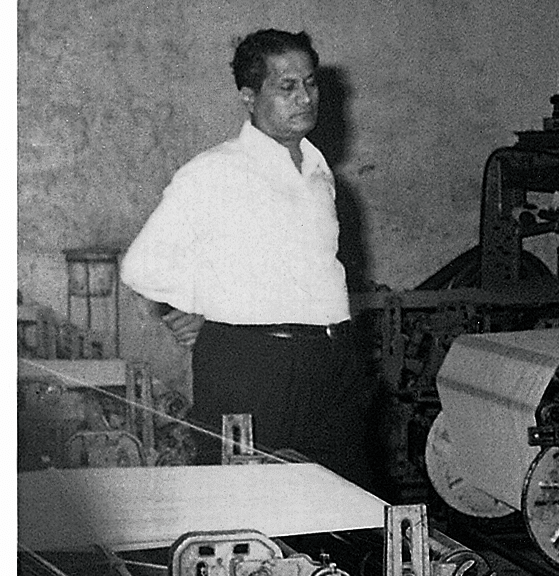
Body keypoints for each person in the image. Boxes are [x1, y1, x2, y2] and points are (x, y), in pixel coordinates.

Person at [123, 29, 374, 488]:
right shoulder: (215, 171)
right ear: (248, 96)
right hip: (253, 370)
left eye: (311, 83)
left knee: (344, 503)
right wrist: (192, 309)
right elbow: (142, 266)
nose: (305, 98)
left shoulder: (320, 173)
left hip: (331, 362)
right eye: (287, 87)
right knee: (248, 509)